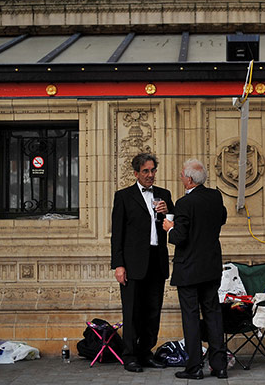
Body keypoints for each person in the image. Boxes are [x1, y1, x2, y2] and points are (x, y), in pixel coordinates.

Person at [163, 158, 229, 380]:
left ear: (189, 179)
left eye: (182, 174)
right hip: (211, 267)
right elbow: (222, 218)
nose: (181, 177)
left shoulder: (184, 203)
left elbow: (179, 238)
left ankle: (194, 367)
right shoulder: (215, 196)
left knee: (191, 318)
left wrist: (169, 228)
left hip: (189, 270)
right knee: (213, 314)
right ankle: (219, 366)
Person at [111, 152, 174, 373]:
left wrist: (169, 213)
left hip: (157, 261)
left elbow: (173, 224)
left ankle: (146, 352)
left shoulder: (164, 194)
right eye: (145, 171)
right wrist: (118, 265)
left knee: (152, 310)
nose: (150, 175)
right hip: (132, 264)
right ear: (136, 173)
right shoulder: (124, 196)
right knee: (132, 312)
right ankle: (130, 356)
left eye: (153, 170)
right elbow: (117, 234)